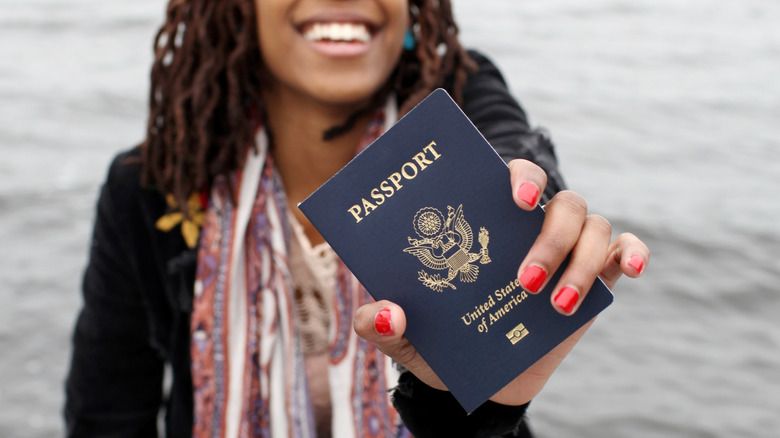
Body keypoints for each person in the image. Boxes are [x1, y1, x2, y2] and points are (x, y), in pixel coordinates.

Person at [64, 0, 649, 437]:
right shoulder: (150, 188)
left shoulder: (466, 107)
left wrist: (467, 407)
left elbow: (514, 155)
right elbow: (107, 417)